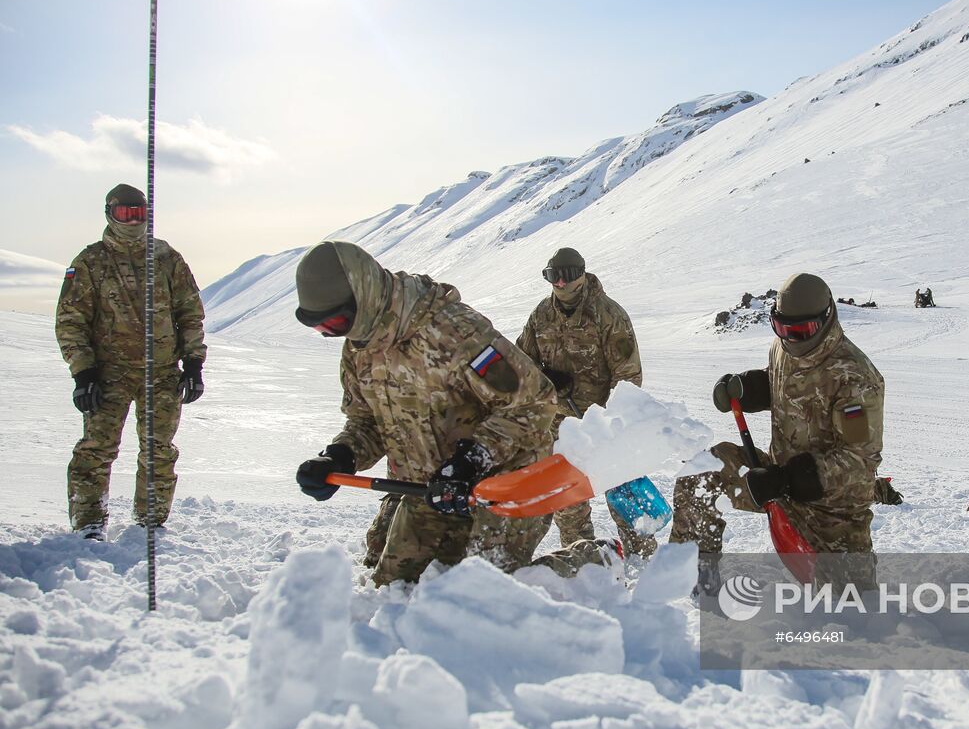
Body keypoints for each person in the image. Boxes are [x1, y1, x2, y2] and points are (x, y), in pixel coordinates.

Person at [291, 241, 611, 586]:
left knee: (483, 592)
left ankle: (594, 561)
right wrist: (340, 456)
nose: (337, 335)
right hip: (434, 488)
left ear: (364, 294)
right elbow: (367, 421)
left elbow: (534, 401)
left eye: (337, 322)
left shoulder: (455, 332)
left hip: (503, 481)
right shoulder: (360, 350)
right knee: (395, 589)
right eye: (322, 330)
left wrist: (471, 459)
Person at [670, 272, 885, 587]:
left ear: (825, 319)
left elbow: (859, 463)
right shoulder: (782, 347)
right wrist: (748, 387)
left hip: (830, 515)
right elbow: (784, 383)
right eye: (781, 329)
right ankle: (691, 578)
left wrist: (788, 480)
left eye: (801, 331)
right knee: (703, 472)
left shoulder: (855, 376)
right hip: (774, 478)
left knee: (849, 609)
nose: (791, 339)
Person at [55, 183, 206, 539]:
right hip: (109, 375)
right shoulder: (91, 261)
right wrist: (83, 372)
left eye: (138, 213)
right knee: (96, 449)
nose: (132, 220)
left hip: (163, 373)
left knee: (159, 451)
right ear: (110, 214)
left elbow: (190, 313)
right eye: (125, 213)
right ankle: (89, 522)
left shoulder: (167, 259)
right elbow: (70, 320)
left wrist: (194, 364)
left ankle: (150, 522)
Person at [515, 247, 655, 558]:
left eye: (566, 276)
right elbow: (521, 363)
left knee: (622, 492)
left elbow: (629, 374)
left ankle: (645, 560)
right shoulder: (540, 315)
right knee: (568, 502)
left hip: (603, 423)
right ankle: (583, 557)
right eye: (553, 277)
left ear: (581, 275)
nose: (560, 284)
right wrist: (545, 376)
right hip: (560, 428)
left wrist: (610, 423)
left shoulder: (608, 315)